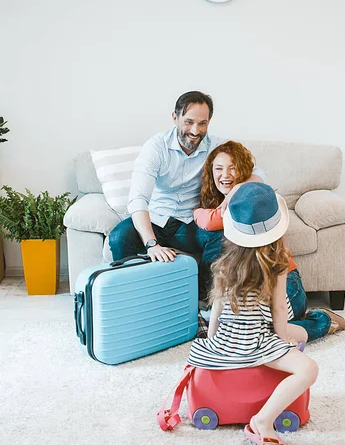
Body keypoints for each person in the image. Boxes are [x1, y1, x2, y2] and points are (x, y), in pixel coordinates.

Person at [188, 182, 319, 445]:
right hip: (257, 341)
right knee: (308, 366)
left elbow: (216, 310)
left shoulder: (225, 263)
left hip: (226, 340)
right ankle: (263, 420)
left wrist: (212, 343)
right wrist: (284, 344)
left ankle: (319, 325)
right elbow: (280, 315)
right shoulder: (277, 263)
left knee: (302, 335)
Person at [108, 91, 265, 301]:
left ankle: (200, 300)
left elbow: (260, 176)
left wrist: (236, 189)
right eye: (189, 122)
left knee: (223, 238)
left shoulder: (217, 147)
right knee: (119, 237)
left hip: (192, 222)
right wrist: (152, 244)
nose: (195, 131)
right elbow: (138, 200)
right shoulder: (156, 147)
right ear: (175, 117)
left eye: (202, 123)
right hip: (157, 219)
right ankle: (131, 298)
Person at [193, 140, 345, 340]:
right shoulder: (216, 202)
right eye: (219, 168)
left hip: (284, 289)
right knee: (241, 329)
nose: (225, 175)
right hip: (249, 291)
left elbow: (210, 220)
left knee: (265, 331)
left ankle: (323, 322)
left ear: (244, 171)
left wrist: (200, 212)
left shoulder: (257, 203)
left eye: (233, 168)